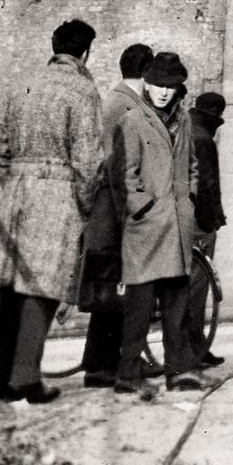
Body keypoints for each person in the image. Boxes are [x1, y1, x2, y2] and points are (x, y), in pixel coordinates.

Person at [0, 19, 106, 405]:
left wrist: (18, 183)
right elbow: (88, 162)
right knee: (44, 286)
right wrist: (82, 206)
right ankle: (25, 379)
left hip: (18, 192)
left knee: (13, 287)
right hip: (59, 194)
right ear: (85, 53)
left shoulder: (21, 84)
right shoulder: (83, 91)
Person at [116, 51, 207, 396]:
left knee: (176, 304)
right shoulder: (133, 120)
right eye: (157, 85)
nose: (164, 92)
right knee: (138, 307)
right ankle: (127, 373)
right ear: (146, 84)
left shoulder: (183, 120)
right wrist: (145, 208)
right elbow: (125, 176)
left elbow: (192, 165)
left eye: (171, 86)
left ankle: (178, 370)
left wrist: (190, 200)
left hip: (178, 226)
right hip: (146, 229)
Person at [79, 43, 150, 388]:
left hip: (106, 209)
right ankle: (107, 366)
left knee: (109, 289)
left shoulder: (113, 101)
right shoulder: (127, 107)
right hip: (116, 211)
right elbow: (120, 167)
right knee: (116, 288)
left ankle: (99, 364)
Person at [187, 91, 228, 369]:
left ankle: (195, 345)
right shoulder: (204, 139)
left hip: (184, 221)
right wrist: (212, 220)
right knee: (197, 289)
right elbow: (206, 186)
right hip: (199, 226)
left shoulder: (188, 132)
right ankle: (194, 349)